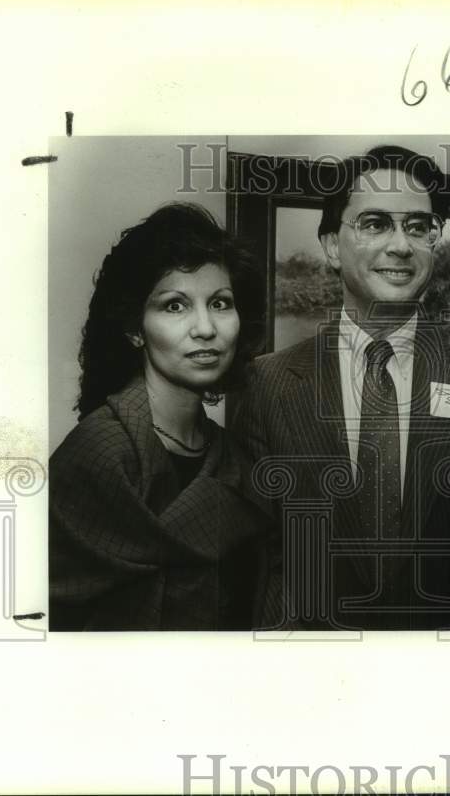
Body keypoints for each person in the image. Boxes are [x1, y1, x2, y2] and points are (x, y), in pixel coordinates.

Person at [242, 146, 450, 630]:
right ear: (332, 246)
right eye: (375, 223)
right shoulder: (270, 383)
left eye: (418, 227)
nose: (401, 245)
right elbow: (261, 553)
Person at [49, 203, 268, 630]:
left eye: (220, 303)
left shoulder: (231, 456)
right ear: (135, 328)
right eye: (174, 306)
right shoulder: (99, 453)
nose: (205, 328)